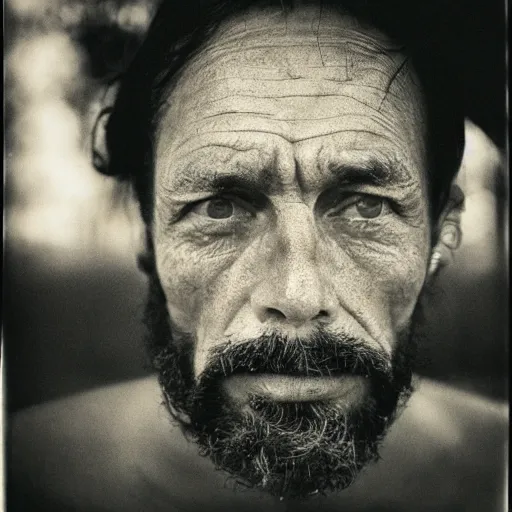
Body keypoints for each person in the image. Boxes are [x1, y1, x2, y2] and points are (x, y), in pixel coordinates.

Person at [8, 1, 507, 511]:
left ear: (441, 231)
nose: (298, 296)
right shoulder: (22, 474)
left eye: (366, 206)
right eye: (220, 208)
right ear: (147, 231)